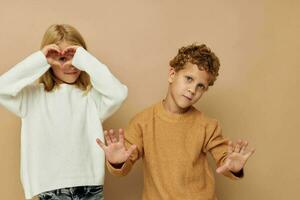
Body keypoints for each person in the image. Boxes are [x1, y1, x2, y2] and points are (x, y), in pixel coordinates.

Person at [97, 44, 255, 200]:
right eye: (189, 79)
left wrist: (233, 166)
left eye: (200, 86)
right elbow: (125, 164)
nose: (192, 90)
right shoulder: (142, 122)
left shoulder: (207, 125)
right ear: (172, 74)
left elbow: (224, 158)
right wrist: (117, 162)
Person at [0, 24, 127, 200]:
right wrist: (40, 59)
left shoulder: (91, 98)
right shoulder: (32, 97)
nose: (70, 65)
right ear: (49, 61)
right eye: (62, 59)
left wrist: (84, 58)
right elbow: (2, 88)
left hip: (89, 186)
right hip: (48, 188)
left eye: (74, 58)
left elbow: (119, 93)